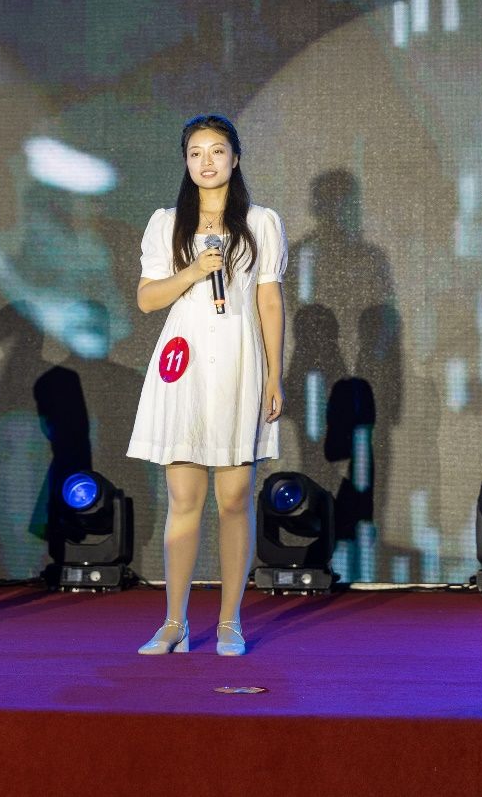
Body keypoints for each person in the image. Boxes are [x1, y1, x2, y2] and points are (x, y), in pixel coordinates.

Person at [126, 114, 287, 655]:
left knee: (235, 496)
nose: (206, 162)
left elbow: (269, 301)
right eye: (195, 153)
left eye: (217, 151)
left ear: (235, 158)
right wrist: (193, 271)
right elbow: (147, 299)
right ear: (186, 162)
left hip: (240, 361)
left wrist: (275, 374)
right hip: (185, 362)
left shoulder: (260, 222)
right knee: (183, 496)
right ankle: (174, 622)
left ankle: (229, 621)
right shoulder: (166, 223)